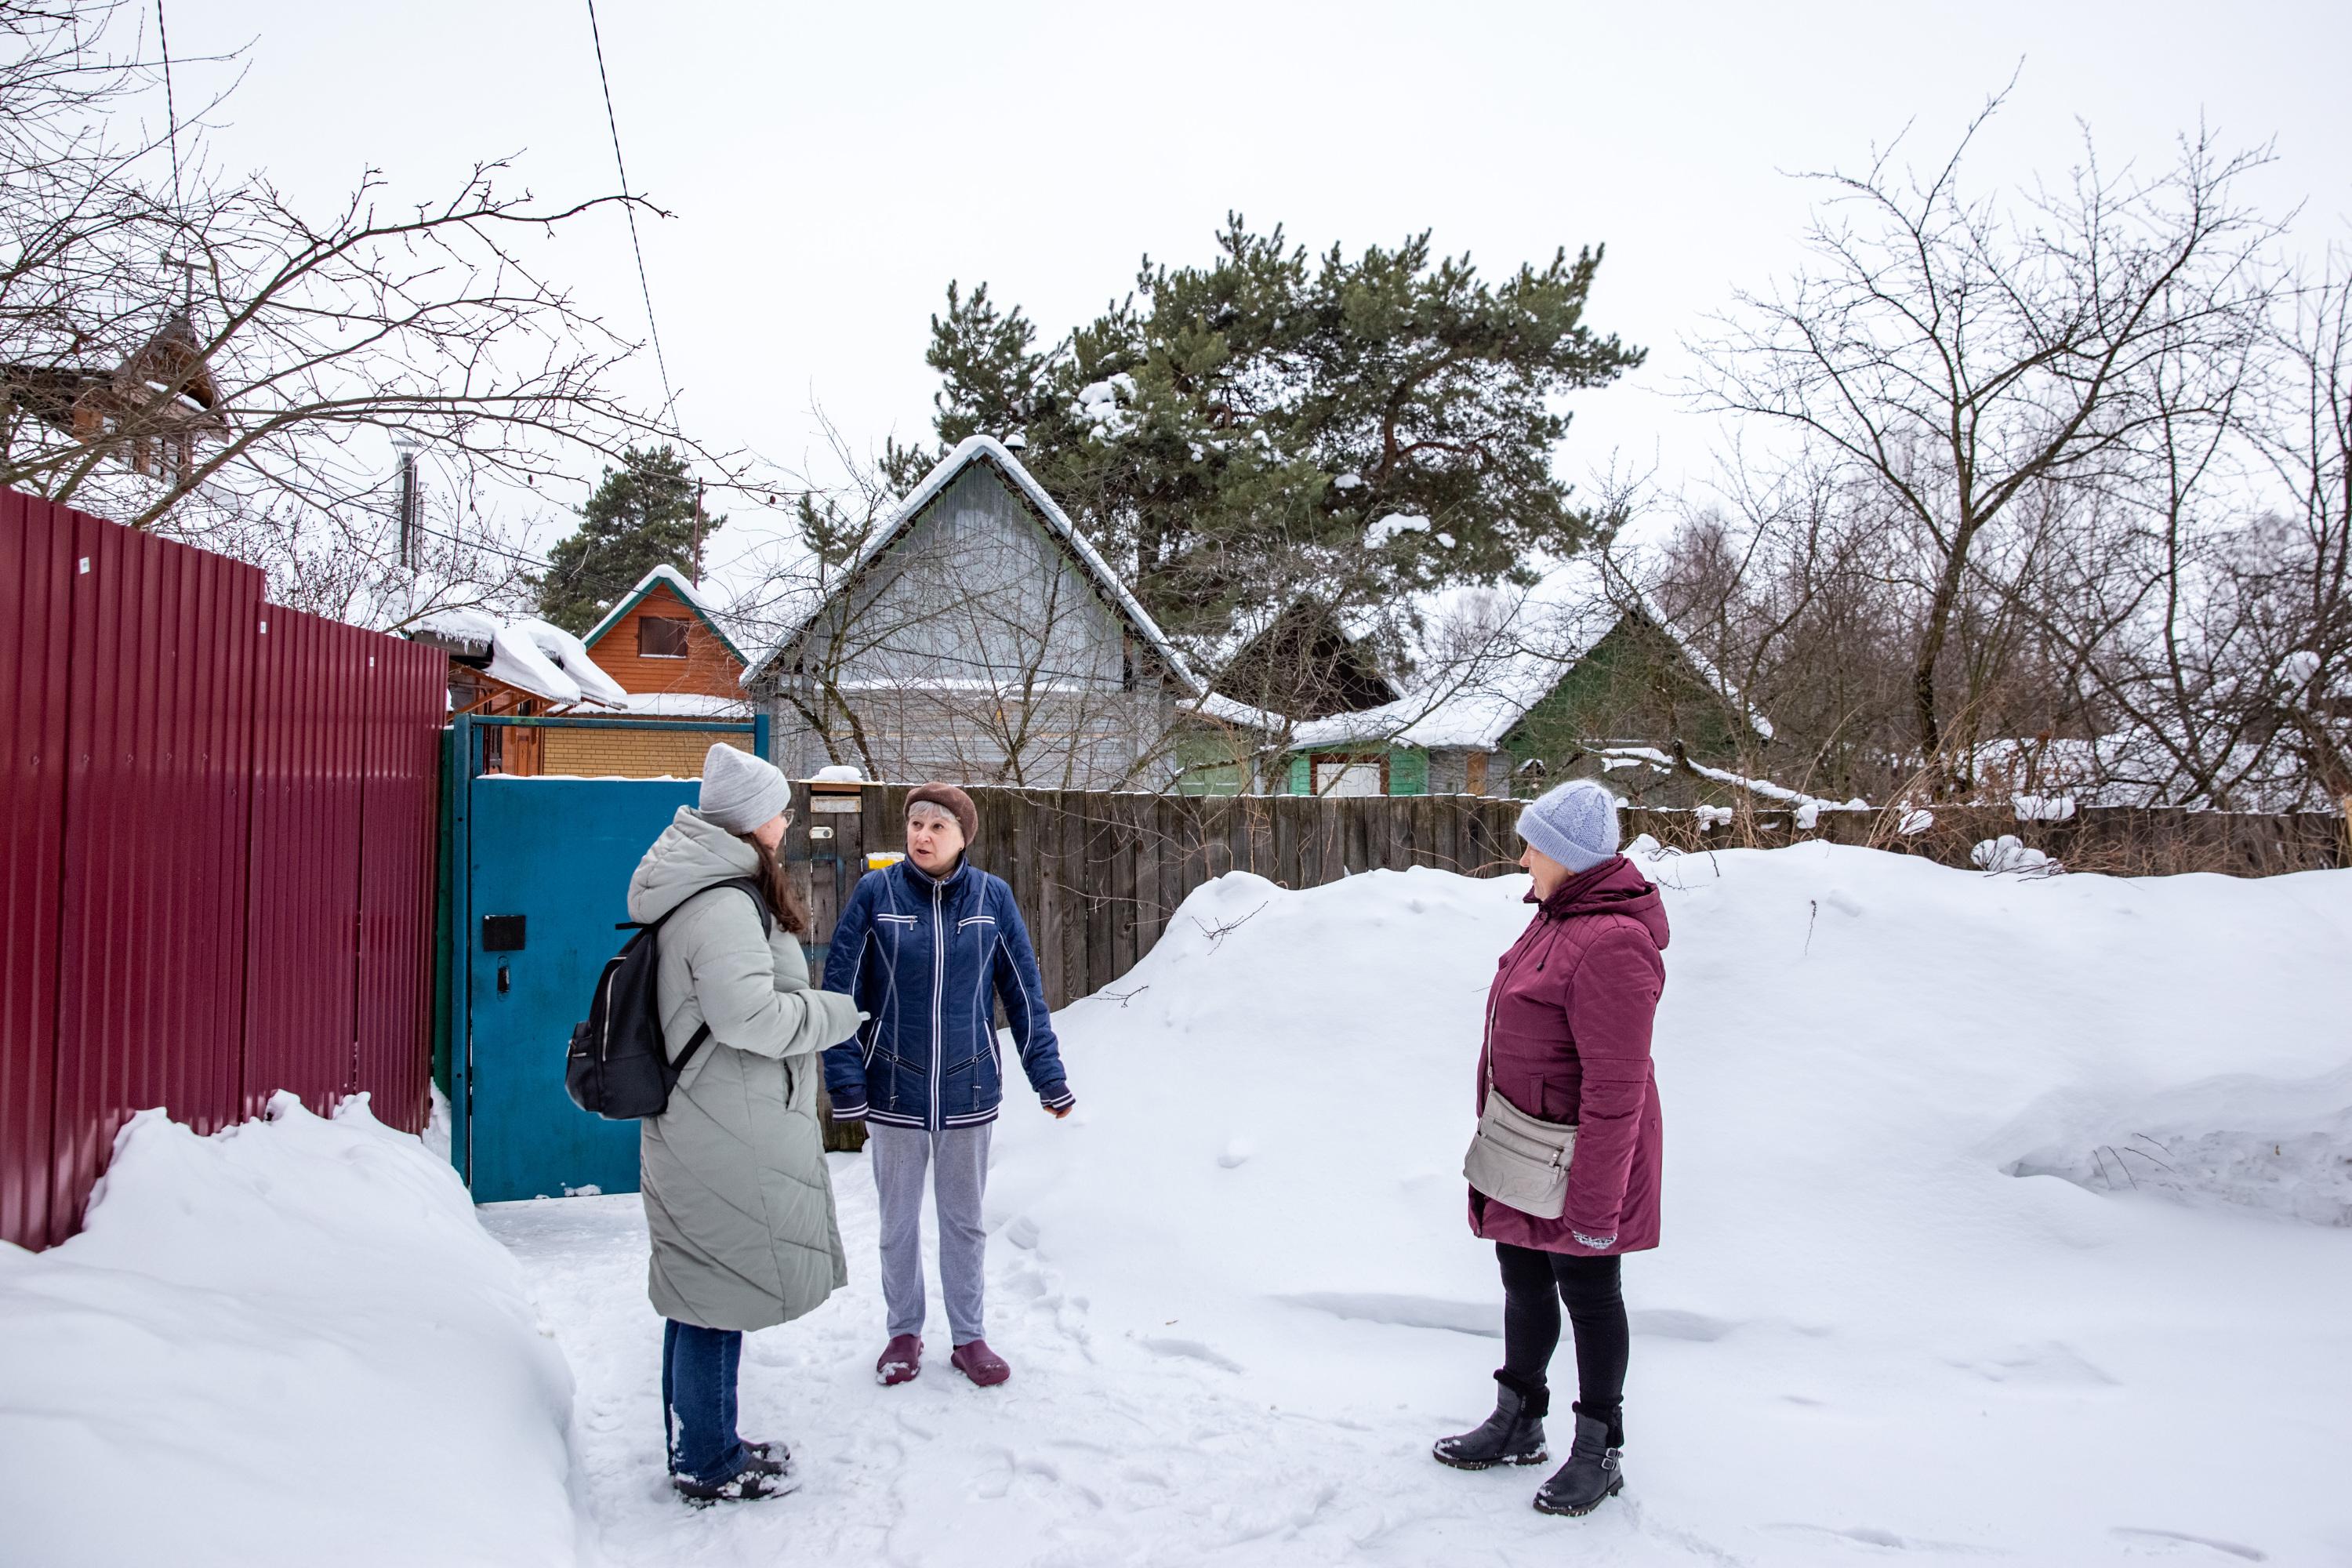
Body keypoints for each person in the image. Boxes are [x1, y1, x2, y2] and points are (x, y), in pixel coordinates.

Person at [630, 743, 865, 1505]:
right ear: (748, 817)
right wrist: (837, 1012)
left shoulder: (705, 888)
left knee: (701, 1289)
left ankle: (705, 1441)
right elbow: (749, 1015)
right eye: (778, 805)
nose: (787, 817)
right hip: (718, 1123)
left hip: (707, 1115)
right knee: (712, 1295)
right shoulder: (723, 900)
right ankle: (707, 1457)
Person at [1433, 777, 1667, 1519]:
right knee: (1522, 1276)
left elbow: (1616, 1087)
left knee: (1590, 1293)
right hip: (1528, 1147)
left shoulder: (1613, 942)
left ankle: (1599, 1450)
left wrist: (1596, 1204)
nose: (1524, 855)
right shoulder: (1556, 916)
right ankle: (1518, 1419)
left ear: (1567, 855)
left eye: (1535, 843)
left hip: (1585, 1156)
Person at [822, 782, 1074, 1389]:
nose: (923, 835)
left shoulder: (992, 898)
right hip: (894, 1088)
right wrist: (847, 1081)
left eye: (938, 826)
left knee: (964, 1222)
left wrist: (1049, 1077)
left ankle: (969, 1337)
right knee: (898, 1222)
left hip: (968, 1088)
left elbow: (1023, 994)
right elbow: (840, 994)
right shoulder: (875, 894)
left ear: (964, 837)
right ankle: (903, 1333)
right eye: (915, 824)